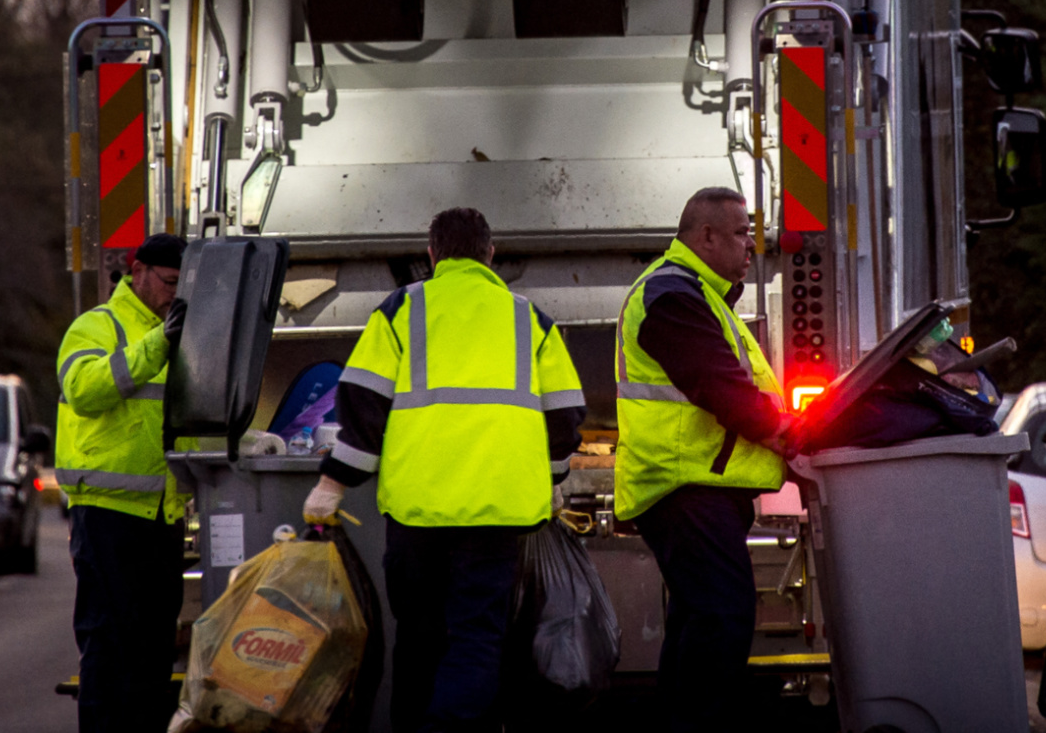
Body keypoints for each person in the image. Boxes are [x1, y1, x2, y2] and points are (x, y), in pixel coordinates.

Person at [303, 207, 585, 733]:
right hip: (497, 513)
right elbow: (566, 414)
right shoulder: (530, 318)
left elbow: (363, 405)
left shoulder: (401, 310)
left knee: (418, 634)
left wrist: (333, 482)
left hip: (418, 512)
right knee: (477, 635)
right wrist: (553, 478)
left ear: (431, 254)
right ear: (490, 254)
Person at [614, 187, 789, 733]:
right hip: (683, 487)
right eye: (741, 233)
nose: (751, 247)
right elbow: (721, 386)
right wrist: (789, 432)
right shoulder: (672, 295)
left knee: (698, 624)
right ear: (706, 235)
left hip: (692, 489)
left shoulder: (697, 293)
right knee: (721, 617)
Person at [55, 233, 190, 733]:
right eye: (169, 282)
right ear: (138, 272)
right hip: (108, 513)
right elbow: (86, 390)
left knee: (154, 648)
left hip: (161, 513)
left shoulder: (176, 332)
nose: (175, 293)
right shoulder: (97, 326)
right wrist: (159, 344)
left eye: (183, 284)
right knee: (110, 647)